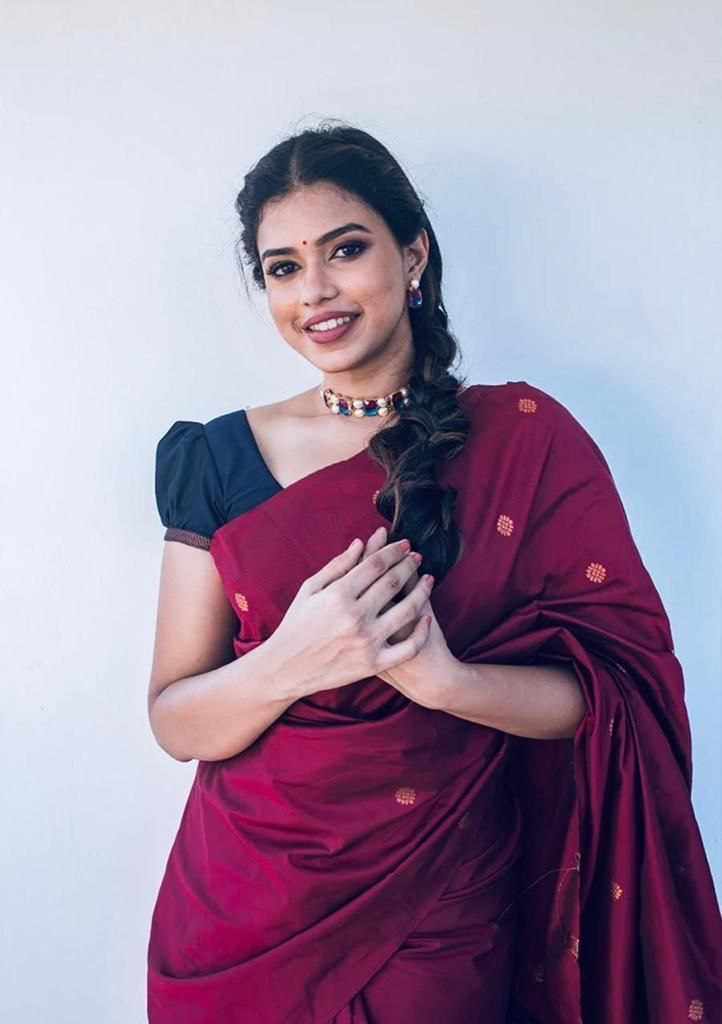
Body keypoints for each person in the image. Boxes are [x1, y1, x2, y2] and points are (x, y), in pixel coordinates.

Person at [146, 122, 722, 1024]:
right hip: (240, 910)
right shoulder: (215, 458)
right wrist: (292, 660)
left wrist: (446, 682)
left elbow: (610, 693)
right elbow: (176, 720)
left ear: (413, 254)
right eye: (284, 267)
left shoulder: (526, 441)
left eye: (346, 250)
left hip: (443, 908)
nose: (316, 290)